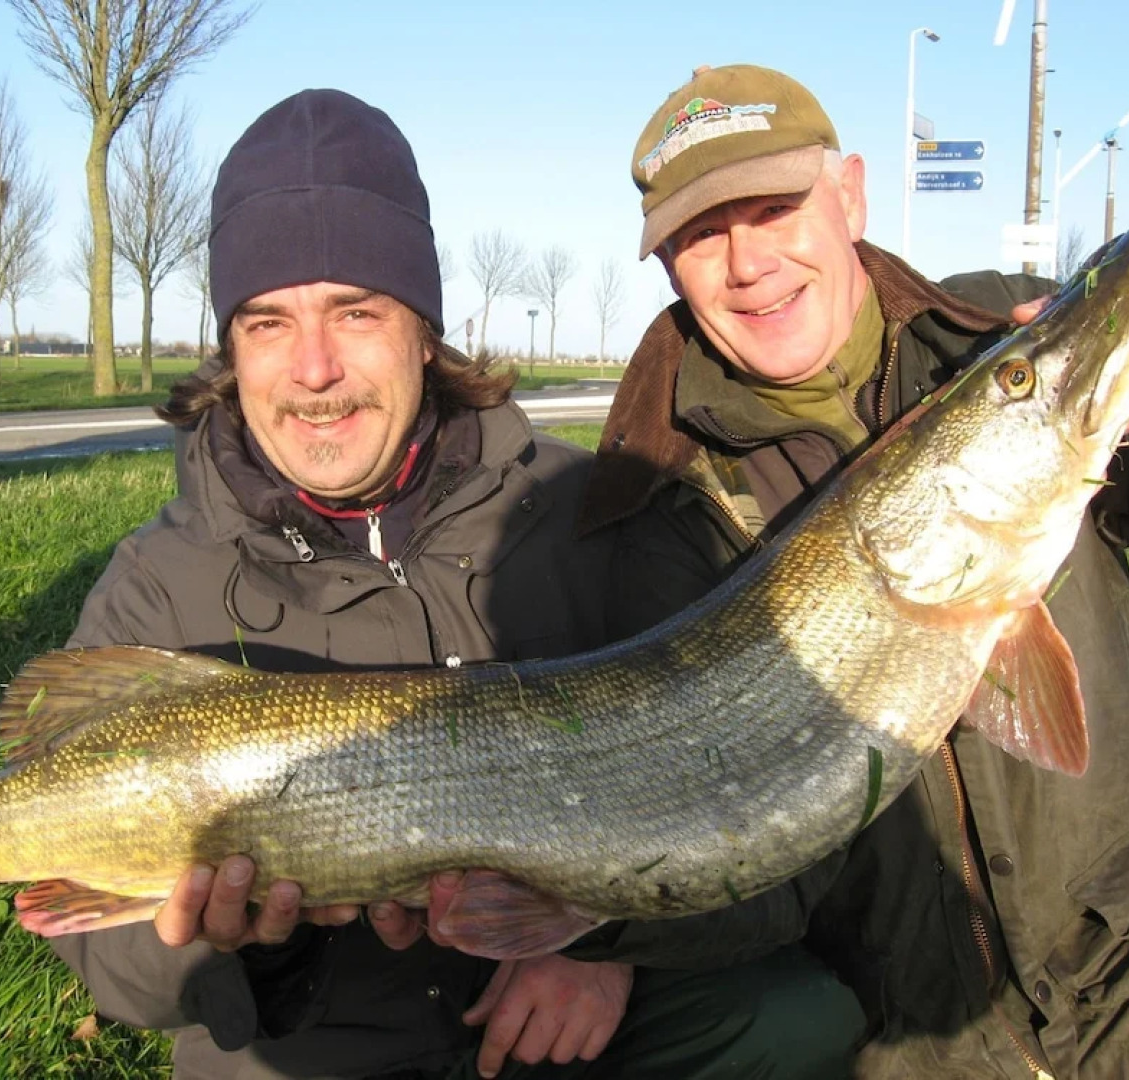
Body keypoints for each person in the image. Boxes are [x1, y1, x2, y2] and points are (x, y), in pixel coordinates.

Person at [46, 87, 862, 1080]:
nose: (313, 369)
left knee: (795, 1019)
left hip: (574, 1033)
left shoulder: (596, 508)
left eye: (355, 313)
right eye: (267, 324)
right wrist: (244, 943)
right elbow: (107, 970)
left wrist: (614, 949)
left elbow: (756, 792)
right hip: (319, 1048)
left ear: (426, 330)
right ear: (232, 348)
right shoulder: (154, 588)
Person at [552, 62, 1129, 1079]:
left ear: (849, 195)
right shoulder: (655, 498)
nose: (748, 262)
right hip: (926, 1033)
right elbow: (748, 873)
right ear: (667, 264)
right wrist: (596, 926)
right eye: (704, 233)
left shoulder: (991, 333)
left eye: (775, 207)